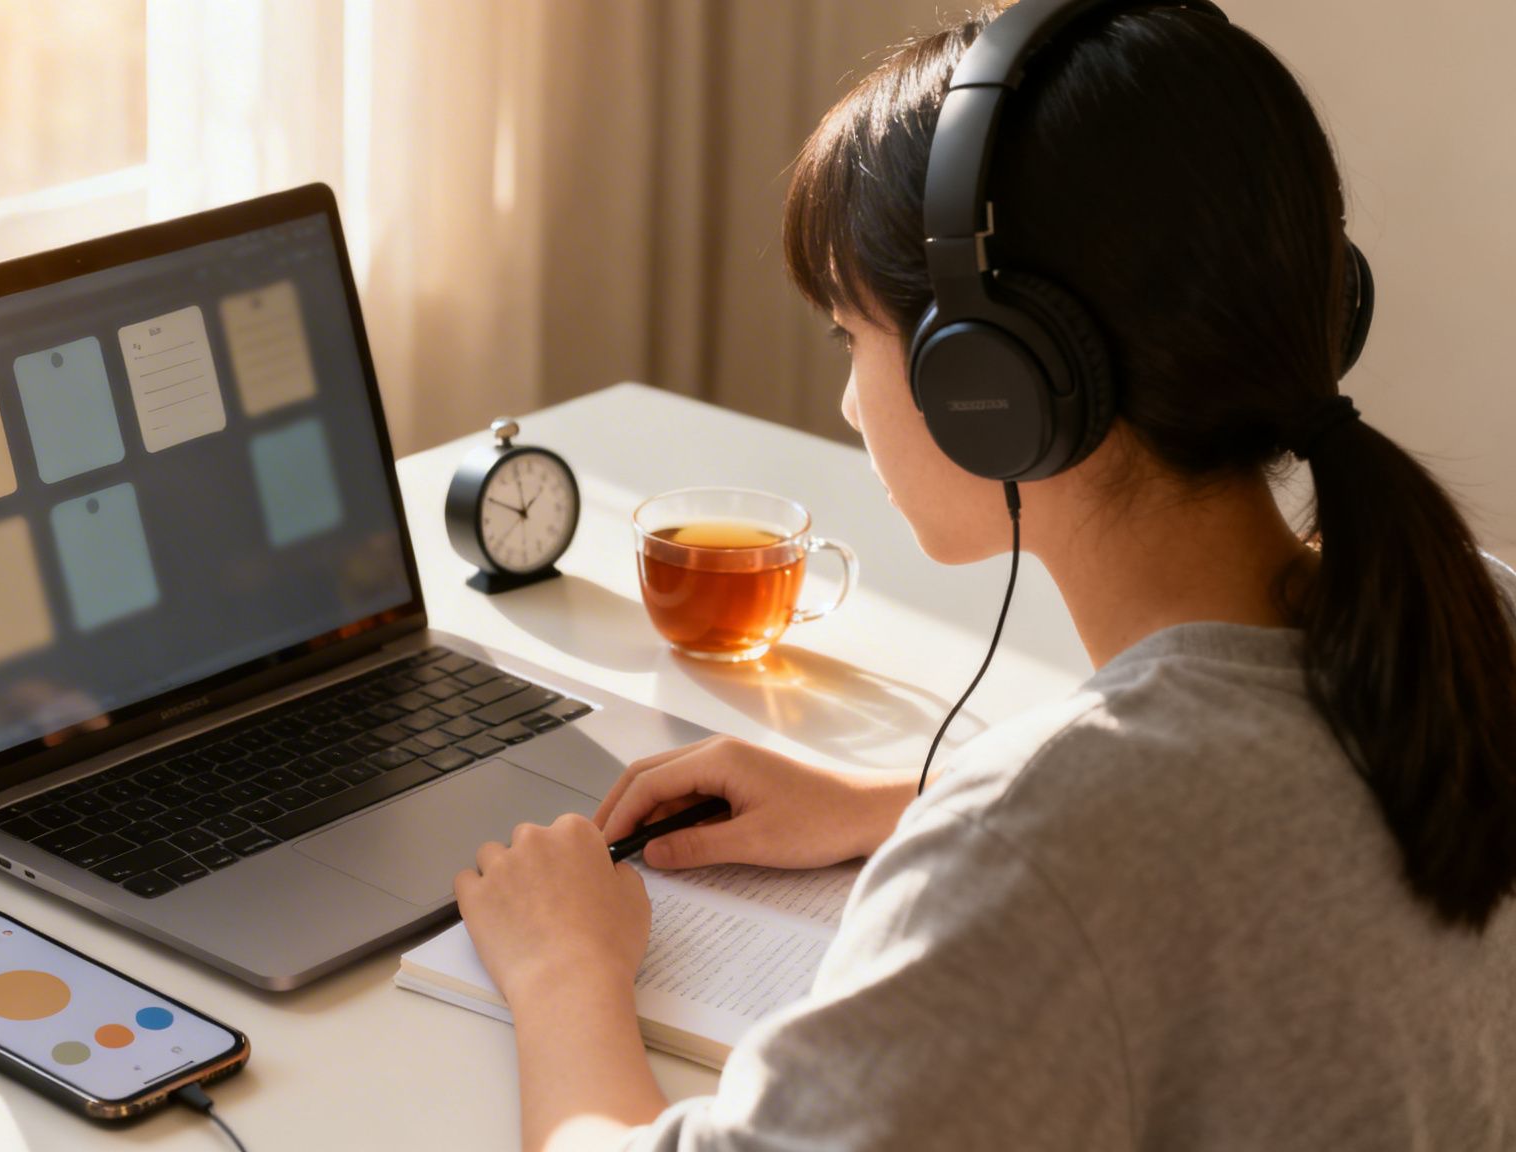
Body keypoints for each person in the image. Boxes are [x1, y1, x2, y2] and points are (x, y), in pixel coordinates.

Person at [453, 4, 1516, 1149]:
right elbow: (1231, 820)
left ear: (991, 381)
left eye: (847, 336)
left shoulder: (1049, 849)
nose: (847, 403)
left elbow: (1119, 843)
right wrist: (885, 803)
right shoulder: (1465, 618)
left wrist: (562, 966)